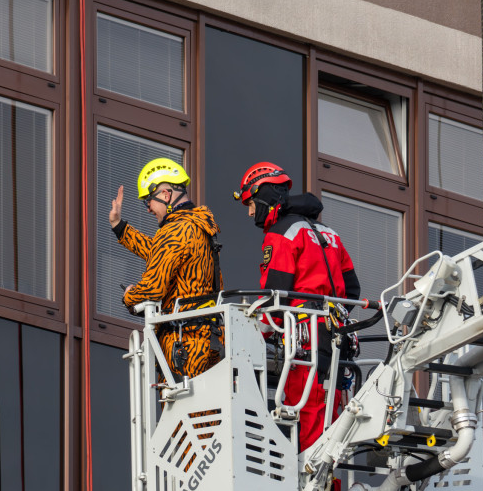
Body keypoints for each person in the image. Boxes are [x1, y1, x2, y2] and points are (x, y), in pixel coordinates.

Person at [233, 162, 361, 452]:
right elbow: (352, 289)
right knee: (330, 426)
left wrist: (251, 335)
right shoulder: (330, 234)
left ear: (263, 195)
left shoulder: (282, 233)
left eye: (250, 203)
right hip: (337, 338)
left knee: (304, 424)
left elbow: (274, 297)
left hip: (305, 341)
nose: (250, 212)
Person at [107, 159, 223, 379]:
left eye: (148, 202)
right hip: (208, 339)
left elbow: (153, 288)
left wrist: (129, 297)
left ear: (166, 195)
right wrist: (120, 227)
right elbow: (159, 253)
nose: (149, 209)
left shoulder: (175, 230)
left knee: (185, 412)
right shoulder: (197, 227)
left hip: (184, 343)